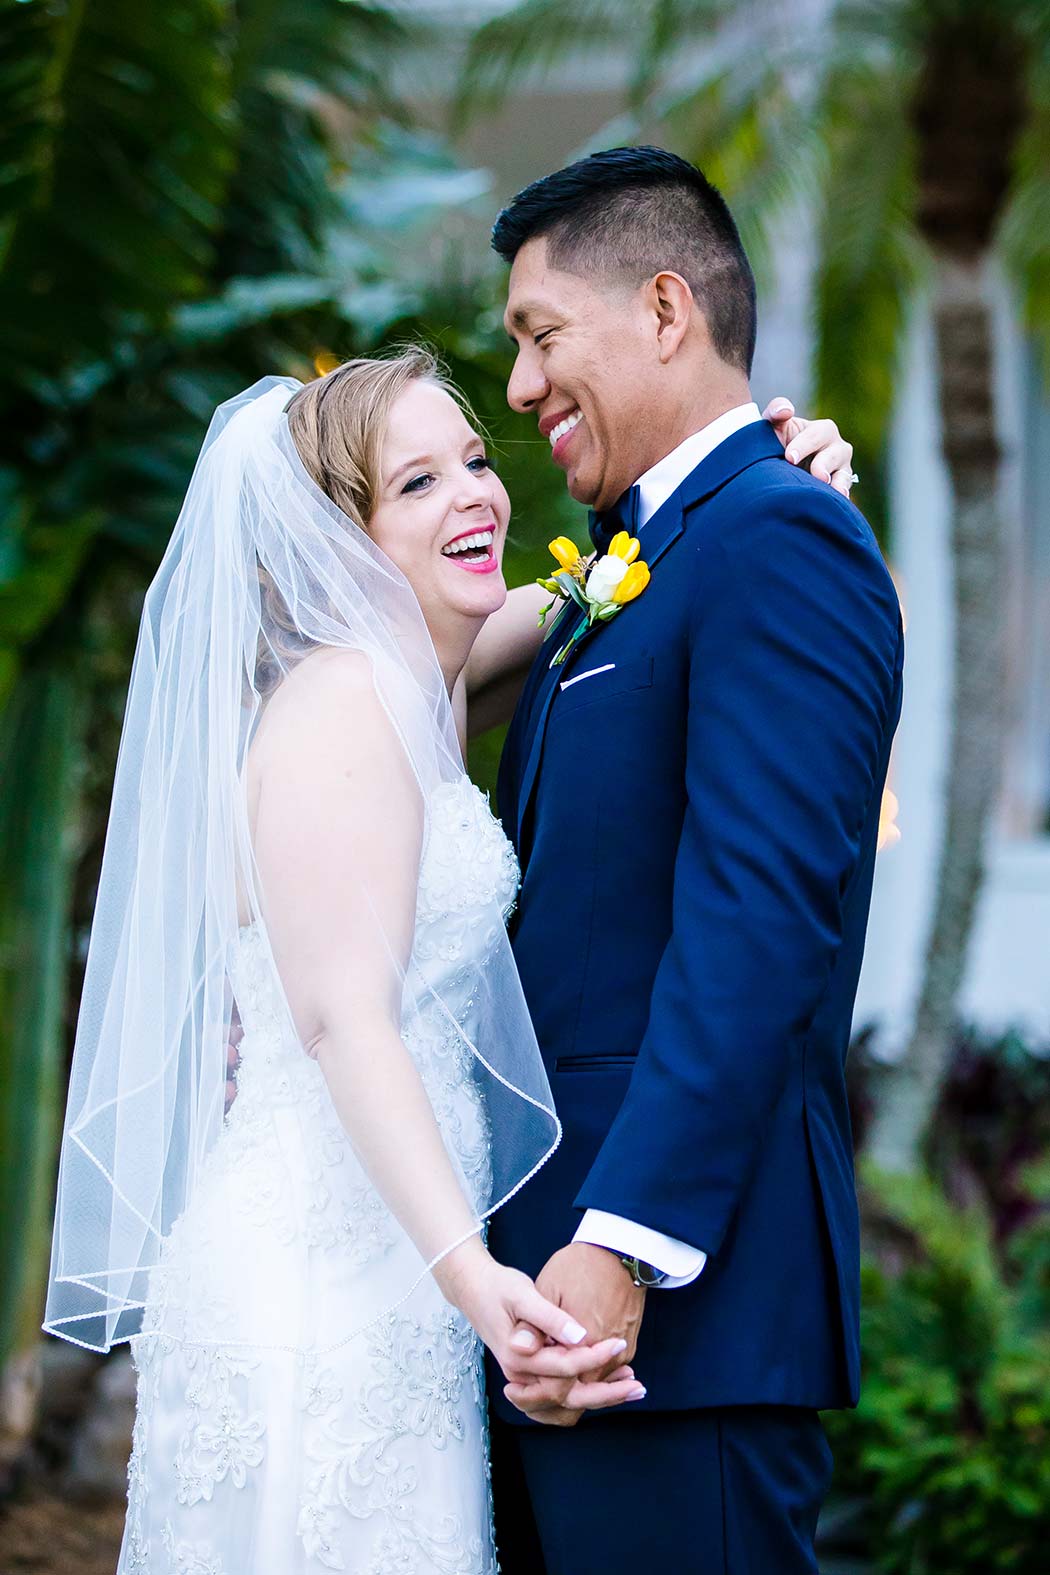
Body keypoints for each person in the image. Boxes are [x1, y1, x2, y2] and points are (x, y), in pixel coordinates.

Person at [44, 343, 854, 1567]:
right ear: (335, 541)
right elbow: (345, 1022)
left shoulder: (413, 680)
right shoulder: (342, 705)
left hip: (396, 1282)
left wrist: (767, 480)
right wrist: (476, 1282)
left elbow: (608, 585)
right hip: (329, 1287)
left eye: (474, 460)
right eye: (414, 485)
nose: (475, 493)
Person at [482, 146, 904, 1575]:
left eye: (541, 337)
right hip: (540, 1312)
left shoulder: (781, 540)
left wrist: (623, 1243)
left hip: (671, 1319)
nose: (521, 388)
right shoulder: (626, 559)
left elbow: (755, 929)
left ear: (665, 309)